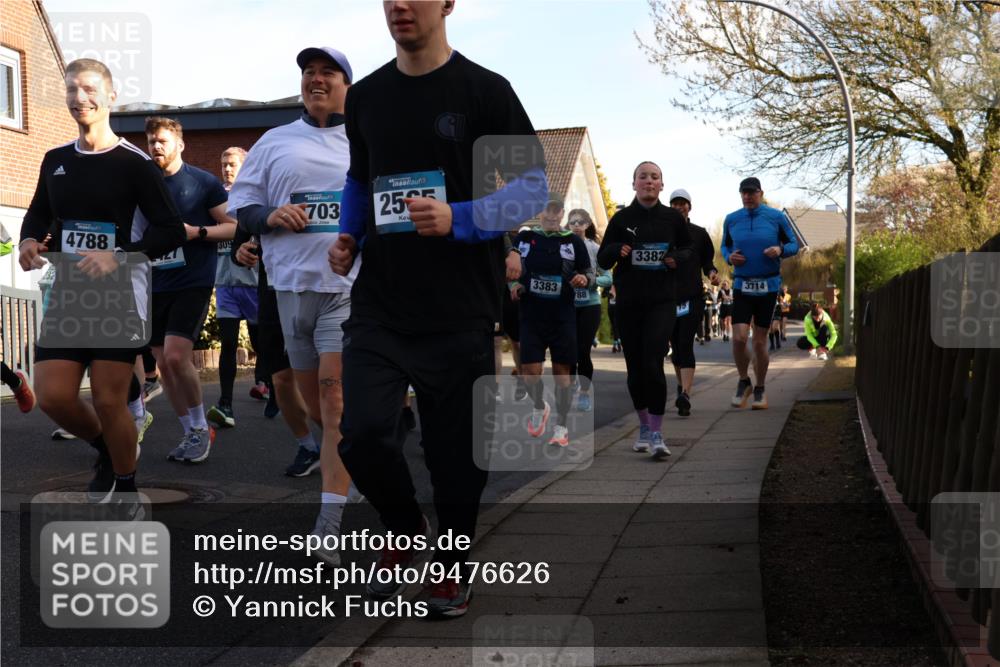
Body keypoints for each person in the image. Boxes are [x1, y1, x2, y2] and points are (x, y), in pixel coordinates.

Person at [327, 0, 547, 618]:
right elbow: (359, 180)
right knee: (364, 433)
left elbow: (533, 188)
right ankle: (403, 531)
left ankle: (450, 568)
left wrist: (463, 218)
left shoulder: (484, 91)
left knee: (454, 458)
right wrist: (350, 236)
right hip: (380, 303)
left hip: (460, 308)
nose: (399, 5)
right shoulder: (366, 97)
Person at [18, 58, 184, 505]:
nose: (79, 99)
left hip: (119, 295)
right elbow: (38, 212)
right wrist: (30, 240)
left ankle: (128, 489)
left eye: (89, 90)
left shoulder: (134, 163)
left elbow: (169, 229)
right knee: (54, 397)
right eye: (72, 90)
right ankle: (106, 451)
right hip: (69, 293)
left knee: (111, 402)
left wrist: (118, 256)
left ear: (111, 96)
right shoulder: (55, 159)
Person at [228, 45, 358, 566]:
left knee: (333, 399)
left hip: (346, 288)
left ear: (347, 83)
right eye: (309, 72)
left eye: (328, 72)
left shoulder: (365, 139)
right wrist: (271, 217)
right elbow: (242, 206)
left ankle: (329, 522)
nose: (316, 79)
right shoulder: (275, 140)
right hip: (288, 289)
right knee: (316, 409)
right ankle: (347, 472)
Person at [143, 117, 235, 462]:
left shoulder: (203, 182)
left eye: (163, 141)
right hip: (155, 281)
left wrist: (195, 232)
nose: (156, 147)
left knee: (178, 355)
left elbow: (233, 227)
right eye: (151, 141)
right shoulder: (144, 184)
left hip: (192, 280)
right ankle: (191, 431)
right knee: (163, 363)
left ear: (180, 144)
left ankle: (199, 429)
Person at [597, 161, 691, 459]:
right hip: (629, 303)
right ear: (634, 183)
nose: (649, 181)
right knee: (636, 369)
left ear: (661, 184)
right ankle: (644, 427)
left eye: (655, 177)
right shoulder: (622, 218)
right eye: (643, 177)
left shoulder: (672, 219)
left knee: (653, 361)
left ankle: (658, 434)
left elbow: (691, 250)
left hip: (662, 301)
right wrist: (617, 250)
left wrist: (677, 257)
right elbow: (602, 257)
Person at [511, 197, 592, 445]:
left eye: (557, 211)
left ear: (562, 214)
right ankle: (539, 405)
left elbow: (588, 273)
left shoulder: (573, 241)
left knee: (562, 373)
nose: (552, 215)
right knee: (530, 373)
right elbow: (511, 271)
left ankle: (561, 427)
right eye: (548, 209)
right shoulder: (523, 240)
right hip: (532, 315)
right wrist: (514, 284)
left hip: (562, 316)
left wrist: (583, 279)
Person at [721, 177, 799, 410]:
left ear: (761, 193)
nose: (747, 196)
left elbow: (795, 244)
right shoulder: (732, 219)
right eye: (743, 193)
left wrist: (780, 249)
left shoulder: (776, 217)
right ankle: (744, 380)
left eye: (752, 192)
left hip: (768, 285)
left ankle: (760, 388)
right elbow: (725, 246)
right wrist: (728, 257)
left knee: (759, 342)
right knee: (738, 338)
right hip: (742, 284)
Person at [207, 146, 267, 429]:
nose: (227, 169)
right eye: (223, 164)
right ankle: (226, 403)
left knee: (260, 341)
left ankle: (268, 383)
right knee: (228, 342)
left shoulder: (253, 197)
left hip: (252, 282)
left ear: (245, 165)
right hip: (225, 281)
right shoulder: (216, 198)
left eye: (232, 164)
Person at [666, 189, 717, 417]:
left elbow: (708, 261)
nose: (679, 207)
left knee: (685, 343)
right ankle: (680, 387)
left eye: (683, 204)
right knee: (675, 348)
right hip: (667, 298)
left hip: (692, 297)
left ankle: (685, 393)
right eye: (675, 204)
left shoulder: (699, 234)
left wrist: (712, 273)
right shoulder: (662, 233)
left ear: (689, 207)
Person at [568, 208, 611, 412]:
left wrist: (590, 280)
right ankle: (570, 385)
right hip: (566, 306)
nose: (576, 225)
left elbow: (608, 277)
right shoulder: (562, 246)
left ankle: (584, 393)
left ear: (587, 225)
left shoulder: (594, 248)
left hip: (589, 305)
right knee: (568, 351)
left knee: (583, 350)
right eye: (572, 222)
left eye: (580, 222)